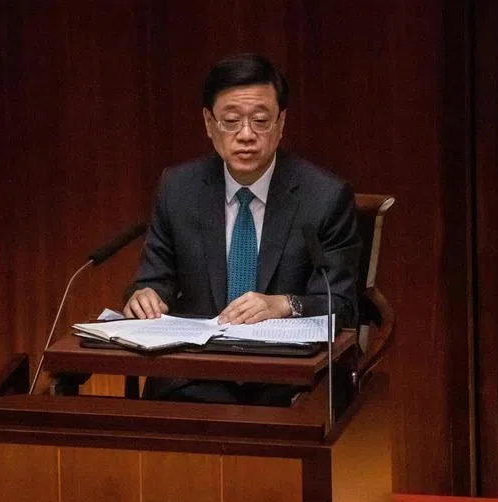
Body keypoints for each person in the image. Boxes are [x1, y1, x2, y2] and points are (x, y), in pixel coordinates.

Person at [123, 53, 361, 405]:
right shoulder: (179, 189)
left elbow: (342, 304)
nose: (246, 135)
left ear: (281, 123)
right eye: (231, 121)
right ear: (208, 123)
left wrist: (284, 304)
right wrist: (145, 295)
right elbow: (157, 277)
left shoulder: (324, 197)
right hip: (196, 375)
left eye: (261, 120)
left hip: (286, 379)